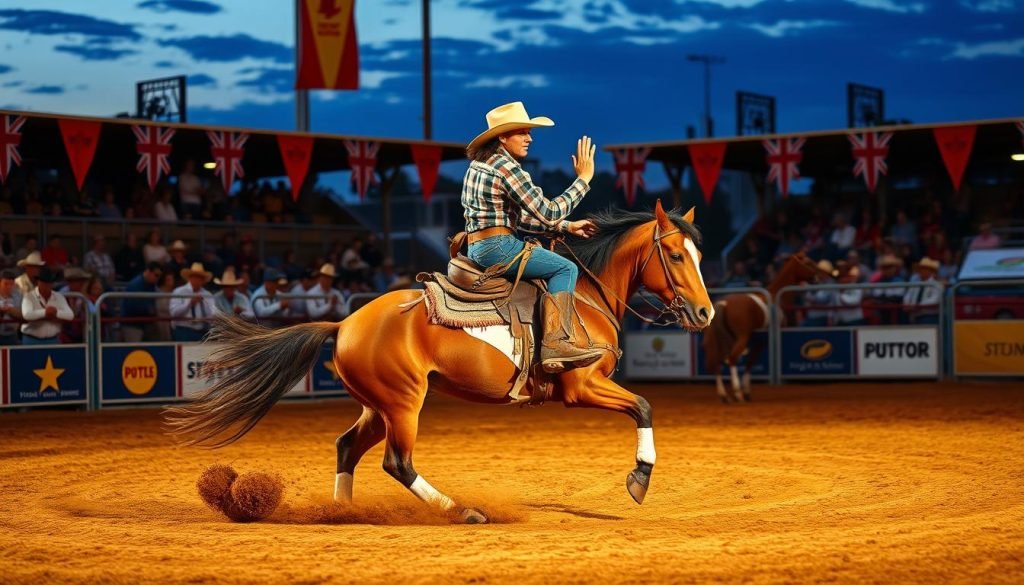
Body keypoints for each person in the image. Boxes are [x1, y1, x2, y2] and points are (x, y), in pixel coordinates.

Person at [462, 101, 601, 372]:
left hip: (478, 246)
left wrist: (567, 227)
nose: (529, 138)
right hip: (499, 246)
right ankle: (555, 343)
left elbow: (520, 218)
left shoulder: (480, 165)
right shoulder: (506, 167)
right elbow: (548, 212)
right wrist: (584, 180)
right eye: (523, 132)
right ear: (503, 137)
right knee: (565, 268)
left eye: (529, 132)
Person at [20, 267, 74, 345]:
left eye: (49, 283)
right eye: (44, 282)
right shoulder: (29, 297)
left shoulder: (59, 297)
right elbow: (27, 315)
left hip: (53, 339)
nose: (47, 285)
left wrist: (55, 313)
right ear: (38, 282)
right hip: (31, 339)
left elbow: (70, 315)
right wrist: (46, 312)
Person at [168, 262, 217, 342]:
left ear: (203, 280)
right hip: (183, 331)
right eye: (195, 277)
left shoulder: (207, 295)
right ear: (190, 278)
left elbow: (213, 314)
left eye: (200, 278)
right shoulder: (179, 292)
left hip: (203, 331)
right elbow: (174, 313)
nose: (198, 280)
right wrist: (190, 303)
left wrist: (208, 318)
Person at [121, 262, 163, 343]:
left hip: (146, 323)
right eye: (156, 275)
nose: (157, 278)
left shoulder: (152, 285)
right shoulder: (135, 285)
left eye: (159, 276)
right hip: (132, 324)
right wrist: (149, 309)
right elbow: (131, 307)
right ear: (148, 272)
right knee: (134, 350)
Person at [903, 257, 942, 325]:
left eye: (924, 269)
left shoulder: (937, 285)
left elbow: (935, 300)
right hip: (914, 315)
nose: (921, 271)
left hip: (929, 316)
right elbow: (907, 296)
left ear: (931, 271)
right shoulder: (915, 284)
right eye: (921, 269)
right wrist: (908, 304)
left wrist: (917, 306)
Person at [59, 267, 91, 343]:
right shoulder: (62, 293)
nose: (81, 283)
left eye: (82, 281)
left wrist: (84, 296)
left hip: (82, 332)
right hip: (66, 331)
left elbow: (92, 310)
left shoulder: (87, 293)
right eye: (78, 281)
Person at [0, 269, 23, 345]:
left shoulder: (18, 296)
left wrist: (10, 310)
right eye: (6, 284)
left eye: (11, 284)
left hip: (13, 335)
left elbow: (23, 314)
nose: (9, 287)